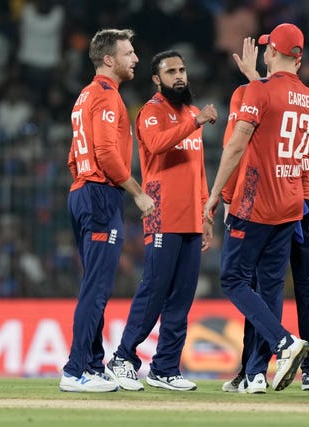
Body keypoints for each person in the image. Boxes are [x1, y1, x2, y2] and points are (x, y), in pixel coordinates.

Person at [205, 23, 309, 393]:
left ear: (273, 53)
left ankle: (284, 342)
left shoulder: (258, 91)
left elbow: (236, 146)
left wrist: (214, 195)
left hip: (255, 202)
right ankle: (255, 374)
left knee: (233, 279)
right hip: (290, 203)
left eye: (268, 47)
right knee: (268, 290)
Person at [105, 50, 217, 392]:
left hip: (191, 219)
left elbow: (198, 169)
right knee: (154, 290)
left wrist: (206, 212)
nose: (180, 75)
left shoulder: (191, 112)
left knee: (182, 296)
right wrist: (194, 124)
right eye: (171, 71)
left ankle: (166, 367)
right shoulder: (152, 112)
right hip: (163, 214)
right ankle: (122, 357)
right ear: (157, 79)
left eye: (182, 69)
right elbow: (154, 146)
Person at [60, 28, 155, 393]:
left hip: (82, 191)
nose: (135, 59)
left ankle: (94, 365)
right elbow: (105, 153)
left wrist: (86, 181)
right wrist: (136, 192)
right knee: (97, 289)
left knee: (93, 284)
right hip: (100, 193)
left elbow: (74, 157)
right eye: (129, 53)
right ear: (109, 60)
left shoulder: (84, 97)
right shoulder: (107, 97)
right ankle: (75, 370)